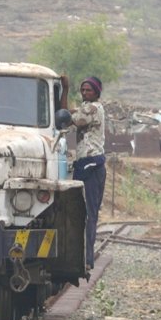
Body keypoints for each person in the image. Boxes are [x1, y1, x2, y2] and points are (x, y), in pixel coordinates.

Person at [61, 75, 106, 272]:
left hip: (91, 165)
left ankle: (87, 259)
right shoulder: (86, 108)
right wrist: (65, 91)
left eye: (89, 90)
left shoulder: (93, 108)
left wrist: (65, 89)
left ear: (97, 92)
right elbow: (66, 115)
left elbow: (67, 117)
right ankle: (81, 257)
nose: (85, 93)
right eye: (83, 90)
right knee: (82, 213)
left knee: (88, 213)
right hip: (84, 165)